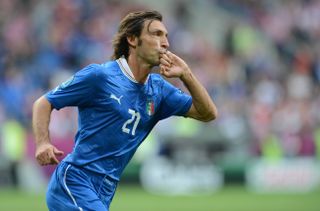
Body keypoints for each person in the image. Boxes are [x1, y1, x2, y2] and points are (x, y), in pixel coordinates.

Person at [32, 10, 217, 211]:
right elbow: (43, 102)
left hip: (104, 191)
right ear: (132, 39)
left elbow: (208, 113)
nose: (165, 43)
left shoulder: (160, 90)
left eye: (165, 35)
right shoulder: (100, 76)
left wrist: (186, 75)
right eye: (156, 34)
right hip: (75, 182)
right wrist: (43, 143)